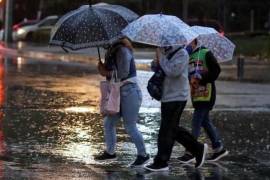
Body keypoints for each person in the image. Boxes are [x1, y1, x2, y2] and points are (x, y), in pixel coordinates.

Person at [144, 46, 208, 172]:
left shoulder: (182, 54)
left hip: (177, 96)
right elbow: (157, 68)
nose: (164, 43)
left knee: (167, 129)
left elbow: (172, 72)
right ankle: (197, 149)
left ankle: (162, 161)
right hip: (167, 95)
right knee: (169, 129)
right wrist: (156, 61)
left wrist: (161, 58)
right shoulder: (167, 53)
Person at [94, 38, 150, 167]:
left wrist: (105, 72)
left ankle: (143, 155)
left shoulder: (123, 51)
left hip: (129, 92)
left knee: (130, 126)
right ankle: (110, 152)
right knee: (108, 122)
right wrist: (103, 69)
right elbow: (111, 72)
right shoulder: (112, 50)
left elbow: (123, 73)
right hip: (117, 92)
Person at [178, 39, 228, 164]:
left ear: (194, 42)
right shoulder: (188, 56)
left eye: (188, 42)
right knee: (205, 122)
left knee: (196, 121)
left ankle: (191, 151)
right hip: (196, 94)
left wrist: (203, 77)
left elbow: (216, 70)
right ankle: (218, 147)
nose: (186, 45)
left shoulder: (205, 52)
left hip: (207, 94)